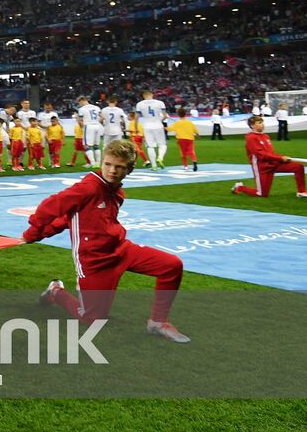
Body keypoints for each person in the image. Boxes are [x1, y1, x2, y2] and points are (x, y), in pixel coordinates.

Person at [23, 139, 190, 343]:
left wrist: (42, 232)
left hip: (120, 250)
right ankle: (56, 292)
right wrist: (33, 233)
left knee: (172, 265)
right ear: (101, 162)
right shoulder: (89, 187)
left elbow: (69, 219)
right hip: (94, 261)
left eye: (119, 167)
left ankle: (157, 323)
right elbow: (51, 206)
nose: (112, 171)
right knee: (93, 320)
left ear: (129, 169)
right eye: (108, 164)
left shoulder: (116, 190)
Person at [231, 116, 307, 200]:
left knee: (298, 167)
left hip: (273, 163)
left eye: (262, 122)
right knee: (261, 194)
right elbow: (261, 155)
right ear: (252, 125)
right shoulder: (251, 138)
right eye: (260, 123)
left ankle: (302, 191)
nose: (263, 124)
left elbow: (270, 153)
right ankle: (240, 187)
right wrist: (280, 158)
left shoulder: (265, 136)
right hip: (262, 167)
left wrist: (280, 159)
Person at [135, 90, 168, 168]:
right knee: (162, 144)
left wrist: (136, 127)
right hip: (158, 125)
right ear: (152, 95)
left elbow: (136, 117)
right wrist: (160, 121)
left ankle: (154, 166)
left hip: (147, 126)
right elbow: (165, 116)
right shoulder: (160, 103)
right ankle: (160, 158)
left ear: (144, 96)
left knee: (150, 146)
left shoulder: (139, 104)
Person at [76, 96, 102, 167]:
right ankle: (98, 163)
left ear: (81, 101)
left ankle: (93, 163)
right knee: (96, 145)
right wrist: (96, 122)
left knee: (86, 145)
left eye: (79, 103)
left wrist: (82, 128)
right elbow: (102, 117)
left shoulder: (82, 109)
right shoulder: (96, 107)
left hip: (88, 126)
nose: (80, 104)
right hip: (97, 126)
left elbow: (80, 120)